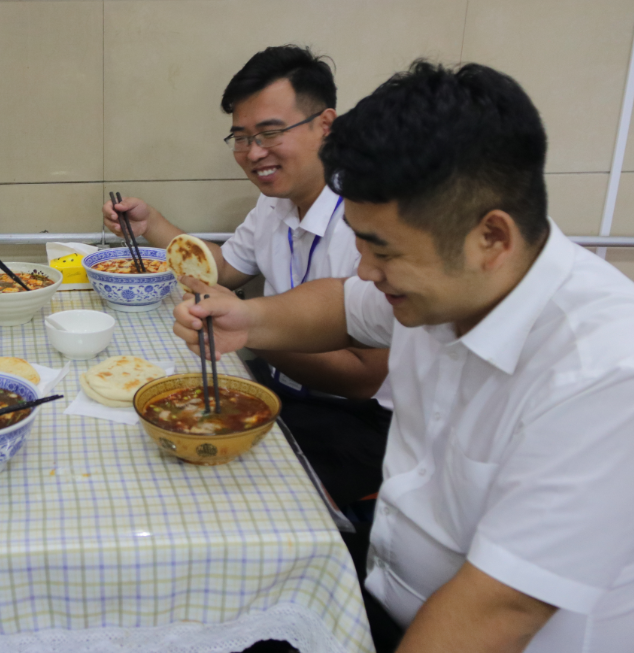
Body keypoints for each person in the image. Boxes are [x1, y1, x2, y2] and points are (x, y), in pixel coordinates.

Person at [174, 61, 634, 652]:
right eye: (361, 241)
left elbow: (498, 609)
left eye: (383, 251)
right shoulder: (447, 283)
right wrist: (246, 320)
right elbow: (343, 303)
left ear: (490, 237)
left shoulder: (604, 371)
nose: (366, 269)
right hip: (387, 595)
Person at [104, 45, 390, 509]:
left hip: (355, 420)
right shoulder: (274, 204)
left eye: (270, 133)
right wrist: (151, 226)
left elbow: (362, 378)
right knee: (142, 458)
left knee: (213, 499)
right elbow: (223, 271)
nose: (254, 152)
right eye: (241, 137)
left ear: (326, 124)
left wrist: (247, 333)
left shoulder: (368, 220)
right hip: (272, 386)